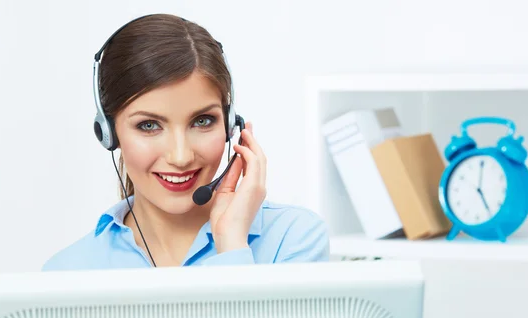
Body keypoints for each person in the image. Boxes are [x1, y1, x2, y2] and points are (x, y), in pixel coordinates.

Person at [42, 13, 330, 271]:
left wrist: (232, 245)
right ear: (109, 132)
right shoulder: (68, 272)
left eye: (202, 121)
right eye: (149, 125)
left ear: (231, 125)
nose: (180, 157)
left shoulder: (293, 240)